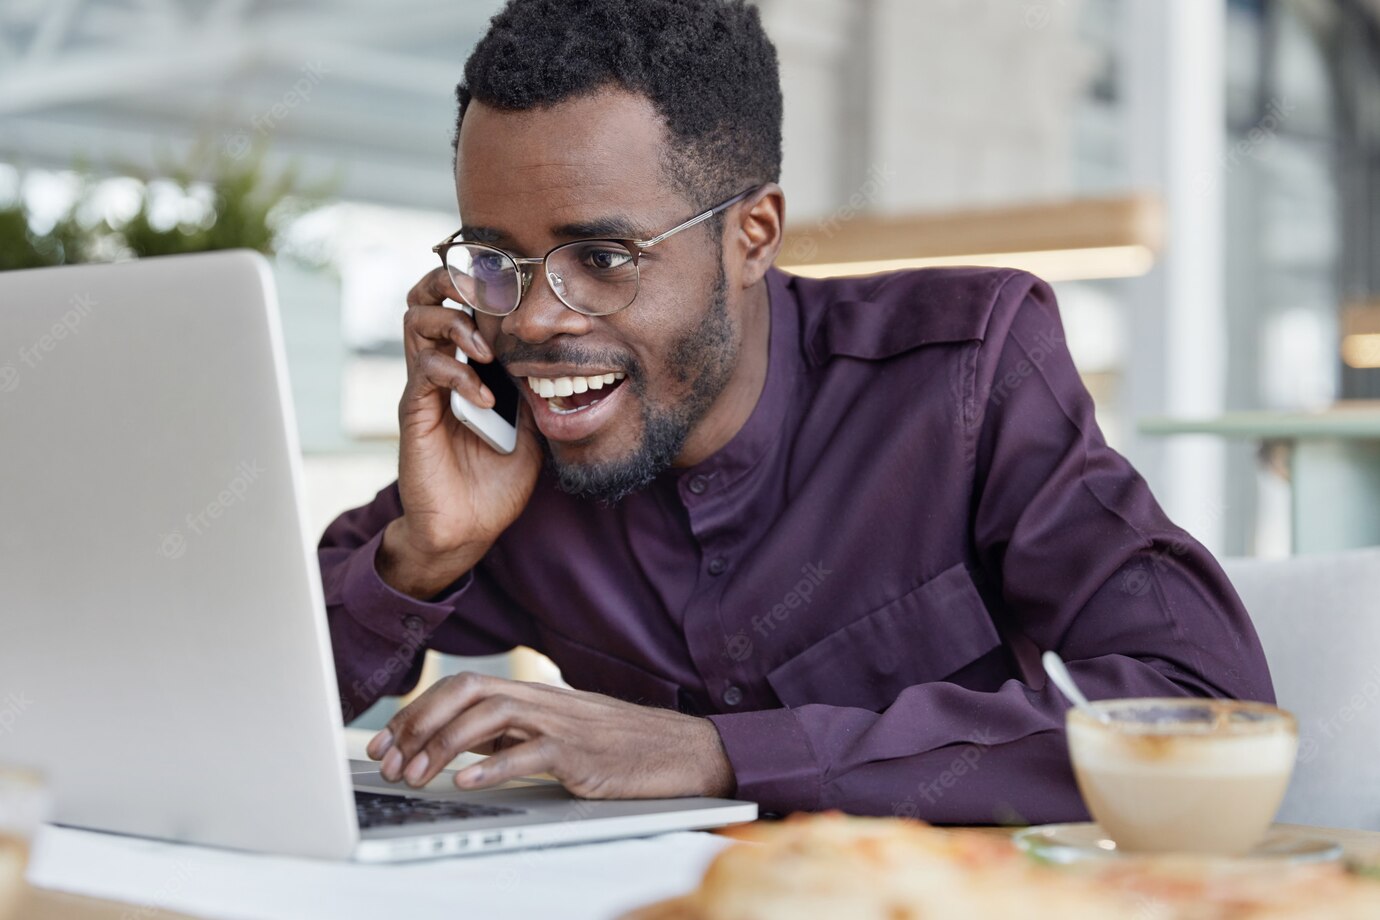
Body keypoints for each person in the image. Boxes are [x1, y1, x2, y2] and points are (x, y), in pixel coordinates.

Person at [319, 0, 1272, 822]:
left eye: (602, 260)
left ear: (753, 235)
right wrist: (422, 555)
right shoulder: (512, 447)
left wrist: (718, 752)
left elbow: (1205, 705)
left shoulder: (965, 372)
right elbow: (228, 699)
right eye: (495, 261)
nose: (529, 319)